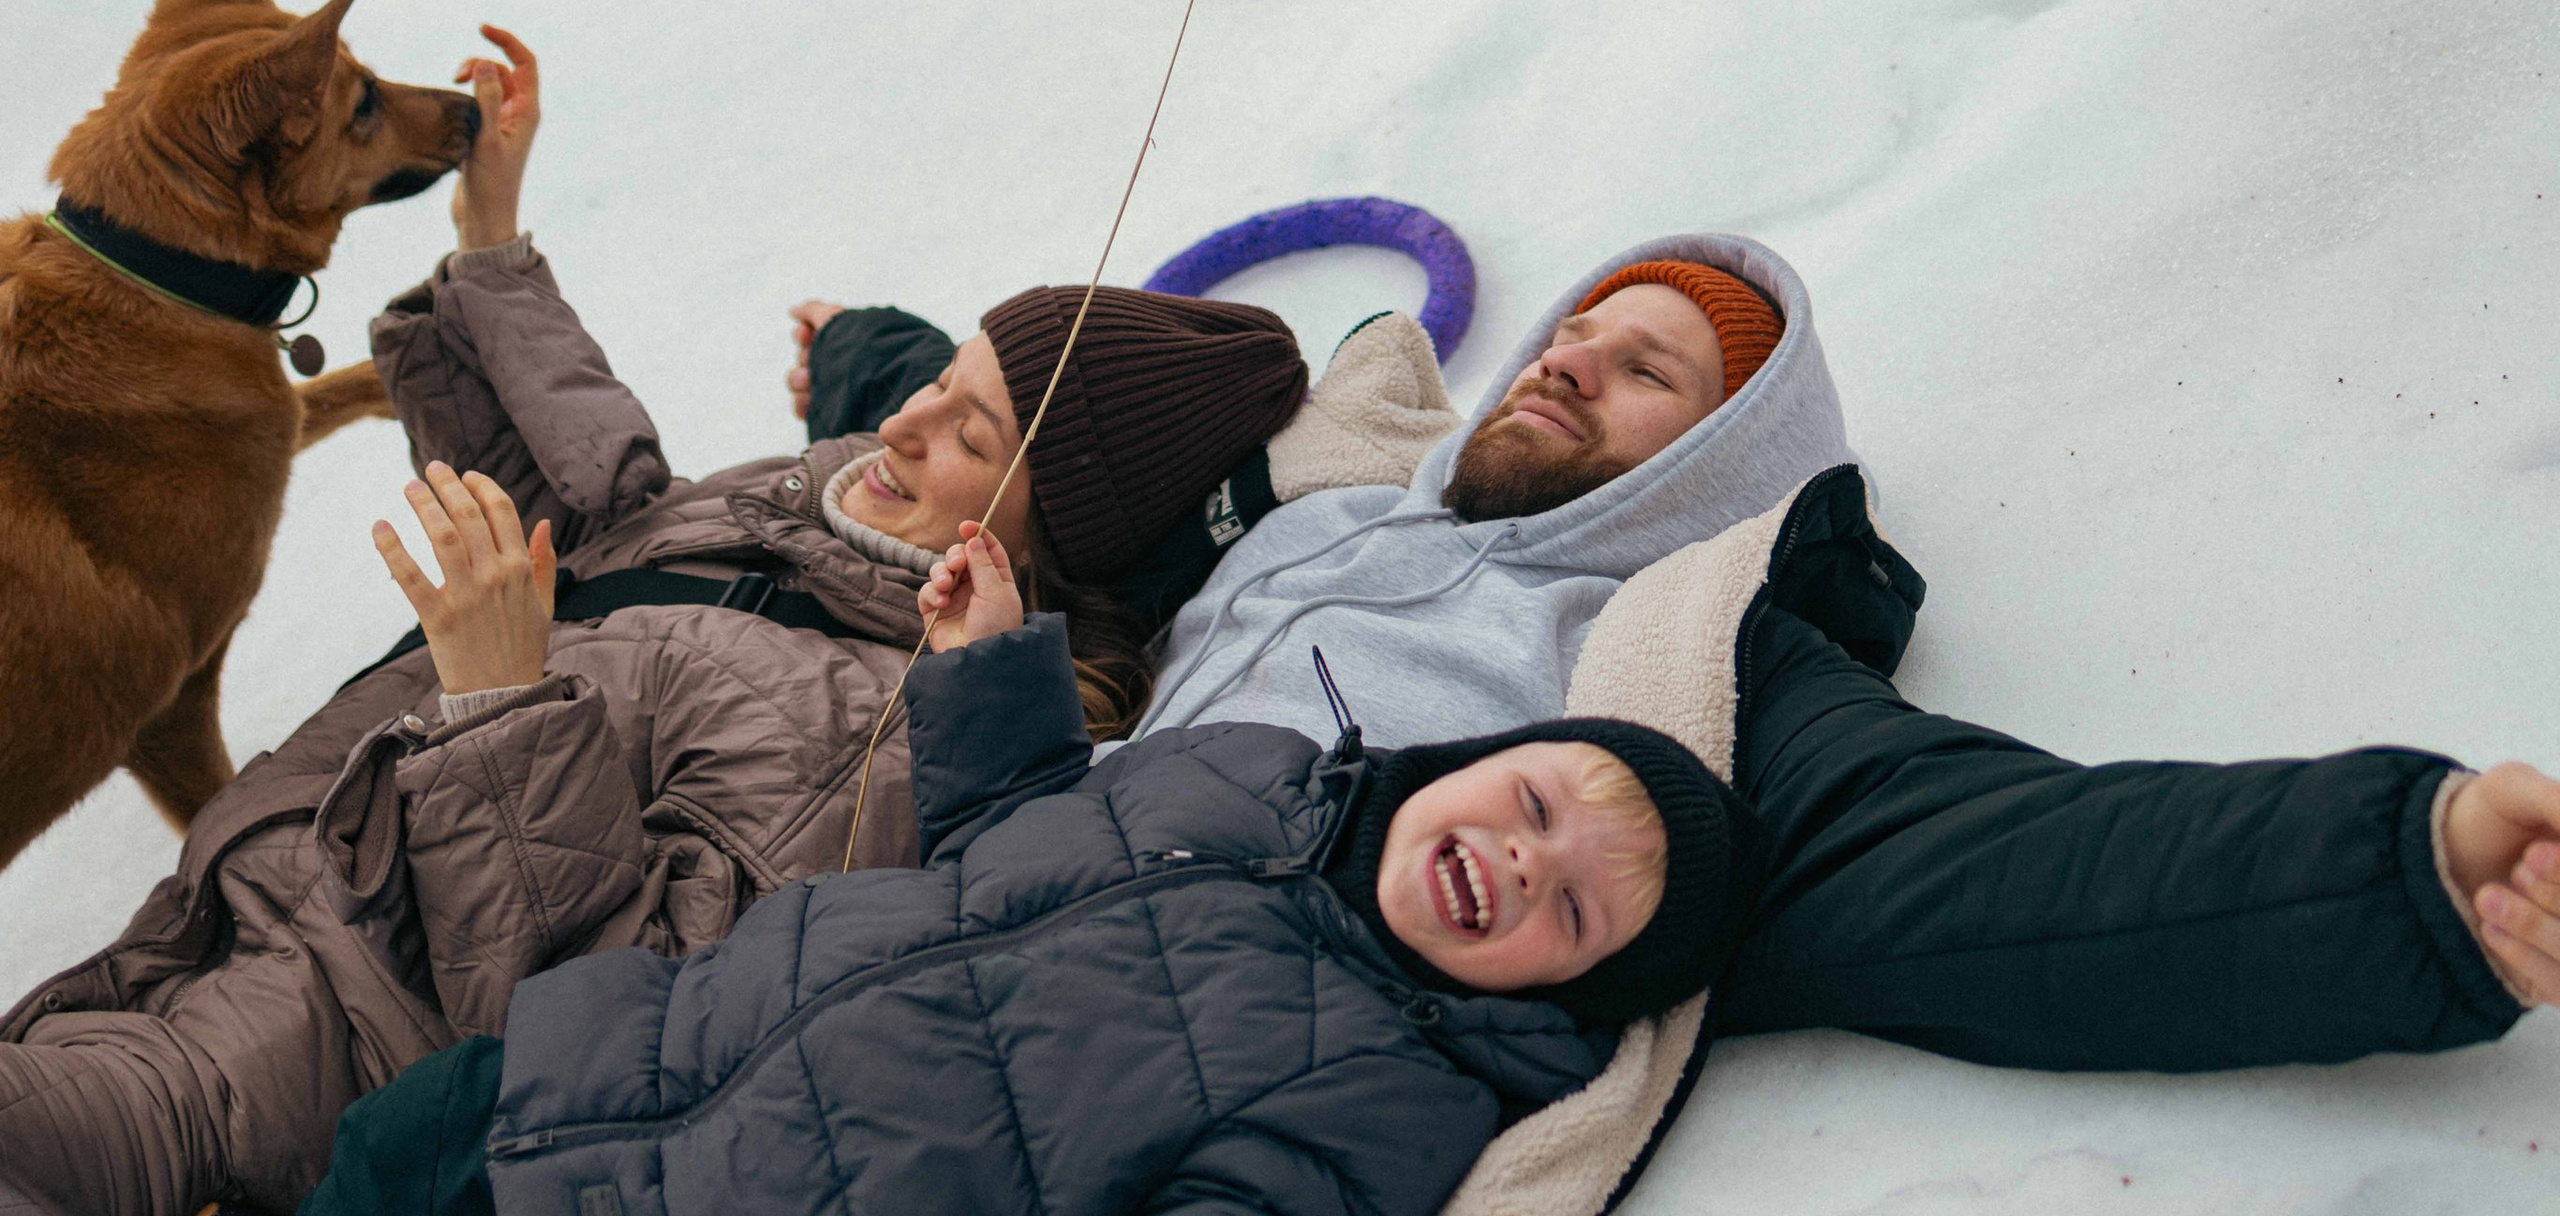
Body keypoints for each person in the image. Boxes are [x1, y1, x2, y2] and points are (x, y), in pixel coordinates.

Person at [0, 33, 1311, 1216]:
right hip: (214, 919)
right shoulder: (812, 505)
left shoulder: (884, 728)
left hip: (298, 1061)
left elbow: (613, 1016)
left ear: (1040, 544)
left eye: (969, 434)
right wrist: (492, 246)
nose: (904, 421)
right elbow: (608, 519)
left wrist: (498, 707)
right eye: (940, 379)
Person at [794, 242, 2560, 1083]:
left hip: (1119, 1046)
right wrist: (866, 361)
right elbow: (1077, 415)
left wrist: (2400, 875)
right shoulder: (1336, 494)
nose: (1565, 362)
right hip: (913, 915)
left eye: (1646, 373)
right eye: (1574, 331)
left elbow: (1978, 863)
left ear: (1715, 466)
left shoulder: (1668, 658)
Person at [295, 521, 1761, 1216]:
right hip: (583, 1068)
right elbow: (1023, 827)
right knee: (365, 1166)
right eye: (1532, 801)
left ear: (1572, 991)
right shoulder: (1256, 768)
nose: (1519, 861)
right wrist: (990, 666)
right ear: (1480, 758)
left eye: (1574, 909)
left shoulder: (1399, 1091)